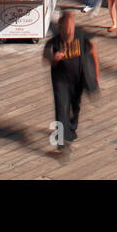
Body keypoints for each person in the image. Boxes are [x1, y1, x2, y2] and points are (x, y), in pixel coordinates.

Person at [43, 12, 98, 145]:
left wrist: (96, 75)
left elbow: (92, 52)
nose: (69, 33)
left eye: (71, 30)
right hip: (60, 81)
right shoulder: (54, 42)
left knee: (75, 107)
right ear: (61, 29)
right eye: (66, 31)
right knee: (61, 109)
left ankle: (71, 129)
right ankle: (62, 142)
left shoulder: (81, 37)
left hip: (77, 79)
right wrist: (54, 59)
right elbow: (46, 58)